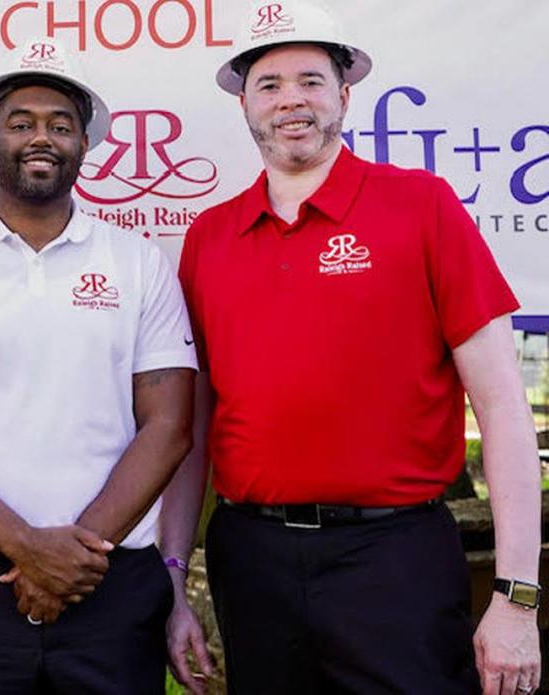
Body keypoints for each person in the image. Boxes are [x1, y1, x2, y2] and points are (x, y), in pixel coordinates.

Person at [161, 2, 542, 694]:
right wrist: (170, 578)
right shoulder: (209, 237)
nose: (290, 101)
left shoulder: (422, 206)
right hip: (252, 558)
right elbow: (192, 428)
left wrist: (517, 595)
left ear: (343, 93)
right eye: (269, 84)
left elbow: (504, 410)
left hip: (394, 558)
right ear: (243, 102)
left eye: (310, 80)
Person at [0, 37, 198, 694]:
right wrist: (27, 546)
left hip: (109, 582)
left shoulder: (139, 264)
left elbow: (168, 426)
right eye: (21, 123)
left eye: (60, 124)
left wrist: (69, 556)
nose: (40, 137)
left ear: (85, 143)